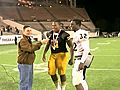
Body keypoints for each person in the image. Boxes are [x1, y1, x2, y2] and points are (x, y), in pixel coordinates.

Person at [42, 21, 73, 90]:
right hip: (53, 54)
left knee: (61, 72)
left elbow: (71, 46)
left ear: (60, 26)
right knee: (51, 72)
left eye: (55, 25)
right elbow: (48, 44)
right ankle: (57, 87)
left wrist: (72, 58)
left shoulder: (65, 34)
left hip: (62, 54)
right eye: (52, 25)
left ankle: (63, 87)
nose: (53, 27)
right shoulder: (49, 33)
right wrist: (44, 54)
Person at [17, 25, 48, 90]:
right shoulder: (23, 40)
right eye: (27, 30)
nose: (29, 32)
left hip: (28, 63)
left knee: (29, 82)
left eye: (30, 30)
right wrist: (40, 43)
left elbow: (31, 47)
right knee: (24, 82)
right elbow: (30, 48)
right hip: (24, 64)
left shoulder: (27, 39)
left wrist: (40, 43)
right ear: (23, 31)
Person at [70, 19, 90, 90]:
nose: (70, 26)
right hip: (80, 58)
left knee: (76, 82)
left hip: (81, 58)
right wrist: (71, 58)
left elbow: (86, 49)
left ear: (78, 25)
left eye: (72, 24)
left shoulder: (81, 33)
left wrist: (82, 62)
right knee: (81, 79)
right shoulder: (77, 33)